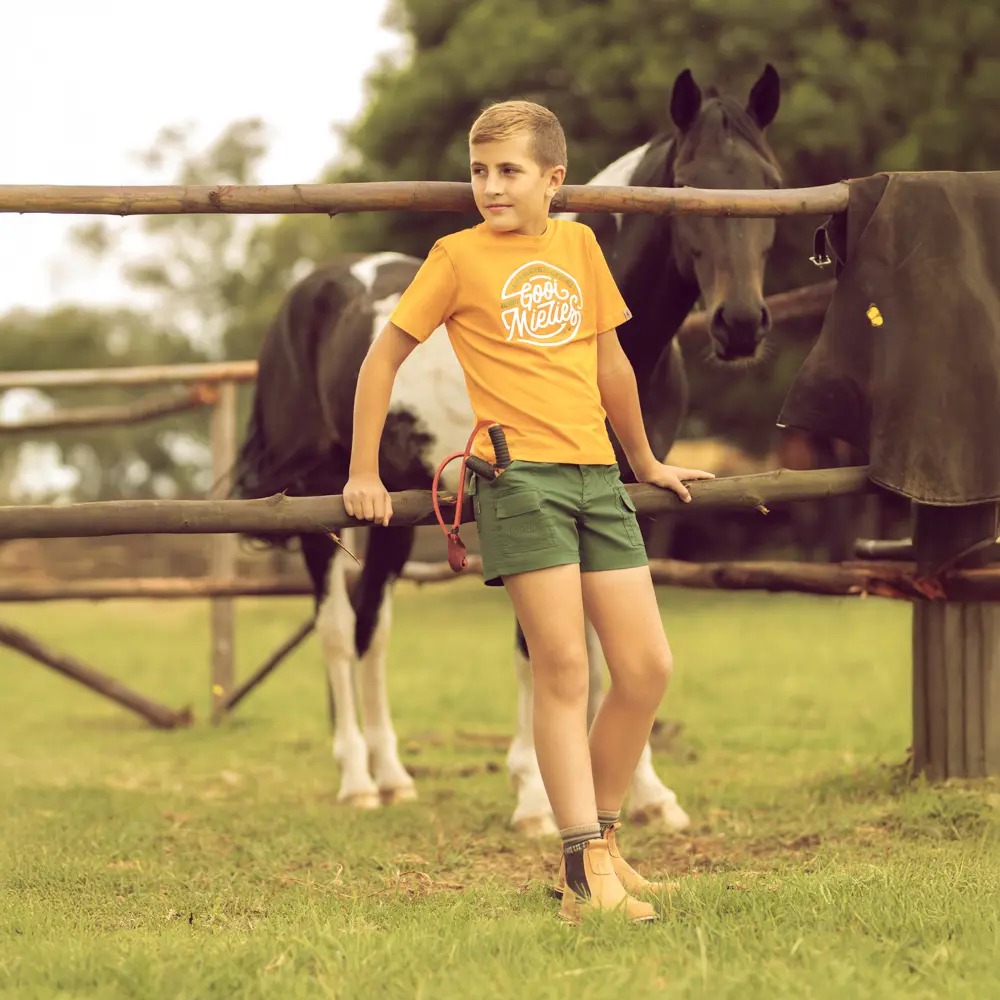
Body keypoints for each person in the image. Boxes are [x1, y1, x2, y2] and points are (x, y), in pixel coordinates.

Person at [343, 100, 713, 923]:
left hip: (596, 478)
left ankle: (606, 844)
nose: (490, 186)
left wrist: (644, 460)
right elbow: (382, 359)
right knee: (565, 671)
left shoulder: (580, 245)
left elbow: (612, 361)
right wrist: (363, 469)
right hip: (519, 481)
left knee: (647, 667)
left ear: (555, 178)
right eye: (479, 171)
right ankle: (581, 873)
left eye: (508, 170)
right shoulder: (455, 257)